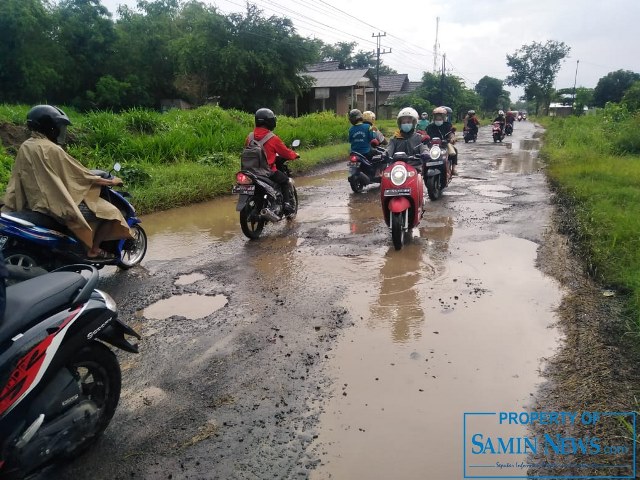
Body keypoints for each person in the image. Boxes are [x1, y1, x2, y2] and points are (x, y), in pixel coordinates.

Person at [3, 105, 133, 259]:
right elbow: (79, 175)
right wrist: (107, 181)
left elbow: (19, 177)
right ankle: (94, 250)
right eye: (58, 127)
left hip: (34, 203)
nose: (60, 131)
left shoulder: (26, 146)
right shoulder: (51, 149)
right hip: (56, 205)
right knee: (112, 213)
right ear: (50, 127)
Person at [249, 107, 299, 214]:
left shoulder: (249, 137)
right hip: (267, 171)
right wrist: (295, 155)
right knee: (285, 181)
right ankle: (287, 205)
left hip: (250, 171)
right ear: (270, 122)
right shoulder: (272, 138)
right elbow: (285, 152)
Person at [426, 106, 459, 174]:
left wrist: (452, 138)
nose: (438, 117)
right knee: (424, 154)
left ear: (444, 117)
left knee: (454, 150)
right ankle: (423, 169)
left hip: (444, 144)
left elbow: (451, 133)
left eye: (440, 116)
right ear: (434, 117)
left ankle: (453, 169)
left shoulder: (447, 125)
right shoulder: (430, 126)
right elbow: (426, 134)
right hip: (432, 145)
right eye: (437, 116)